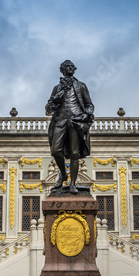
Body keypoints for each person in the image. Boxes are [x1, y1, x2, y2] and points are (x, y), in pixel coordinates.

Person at [46, 60, 94, 194]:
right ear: (62, 70)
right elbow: (48, 109)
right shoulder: (57, 88)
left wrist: (87, 113)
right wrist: (55, 99)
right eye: (67, 66)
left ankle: (72, 183)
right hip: (60, 121)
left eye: (72, 66)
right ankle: (63, 174)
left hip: (76, 121)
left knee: (75, 154)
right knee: (55, 151)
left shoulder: (81, 86)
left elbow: (89, 104)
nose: (70, 68)